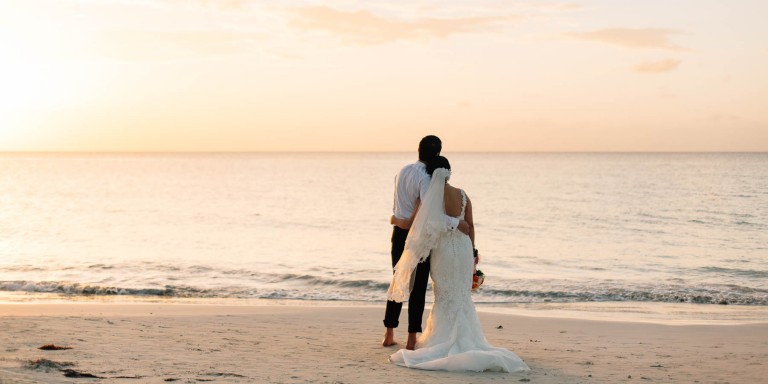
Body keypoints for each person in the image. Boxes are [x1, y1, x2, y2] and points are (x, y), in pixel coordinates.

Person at [387, 156, 530, 372]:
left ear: (431, 174)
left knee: (443, 295)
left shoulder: (431, 198)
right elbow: (470, 226)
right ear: (449, 173)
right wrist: (472, 253)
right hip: (463, 250)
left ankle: (440, 338)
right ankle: (469, 338)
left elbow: (428, 225)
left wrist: (398, 223)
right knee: (462, 295)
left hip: (443, 251)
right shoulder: (463, 195)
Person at [383, 136, 469, 350]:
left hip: (398, 234)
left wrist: (397, 220)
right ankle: (412, 338)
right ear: (438, 154)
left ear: (418, 149)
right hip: (418, 236)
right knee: (418, 287)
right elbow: (428, 216)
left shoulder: (402, 171)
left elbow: (397, 205)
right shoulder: (427, 178)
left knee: (399, 278)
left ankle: (389, 333)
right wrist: (457, 223)